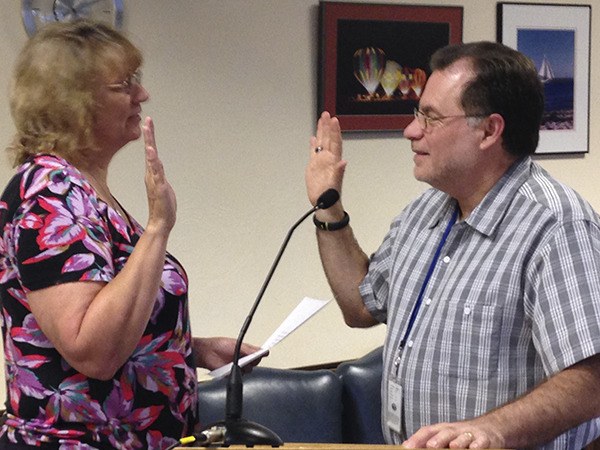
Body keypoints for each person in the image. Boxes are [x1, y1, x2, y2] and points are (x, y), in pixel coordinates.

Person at [305, 41, 600, 449]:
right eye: (416, 113)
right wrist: (329, 206)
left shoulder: (555, 225)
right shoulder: (423, 213)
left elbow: (591, 378)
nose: (410, 131)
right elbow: (360, 306)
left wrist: (494, 429)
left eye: (431, 117)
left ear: (489, 130)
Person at [0, 20, 262, 450]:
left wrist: (188, 348)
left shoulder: (83, 190)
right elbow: (93, 351)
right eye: (125, 84)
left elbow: (107, 321)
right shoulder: (50, 192)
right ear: (74, 102)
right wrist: (158, 226)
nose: (142, 95)